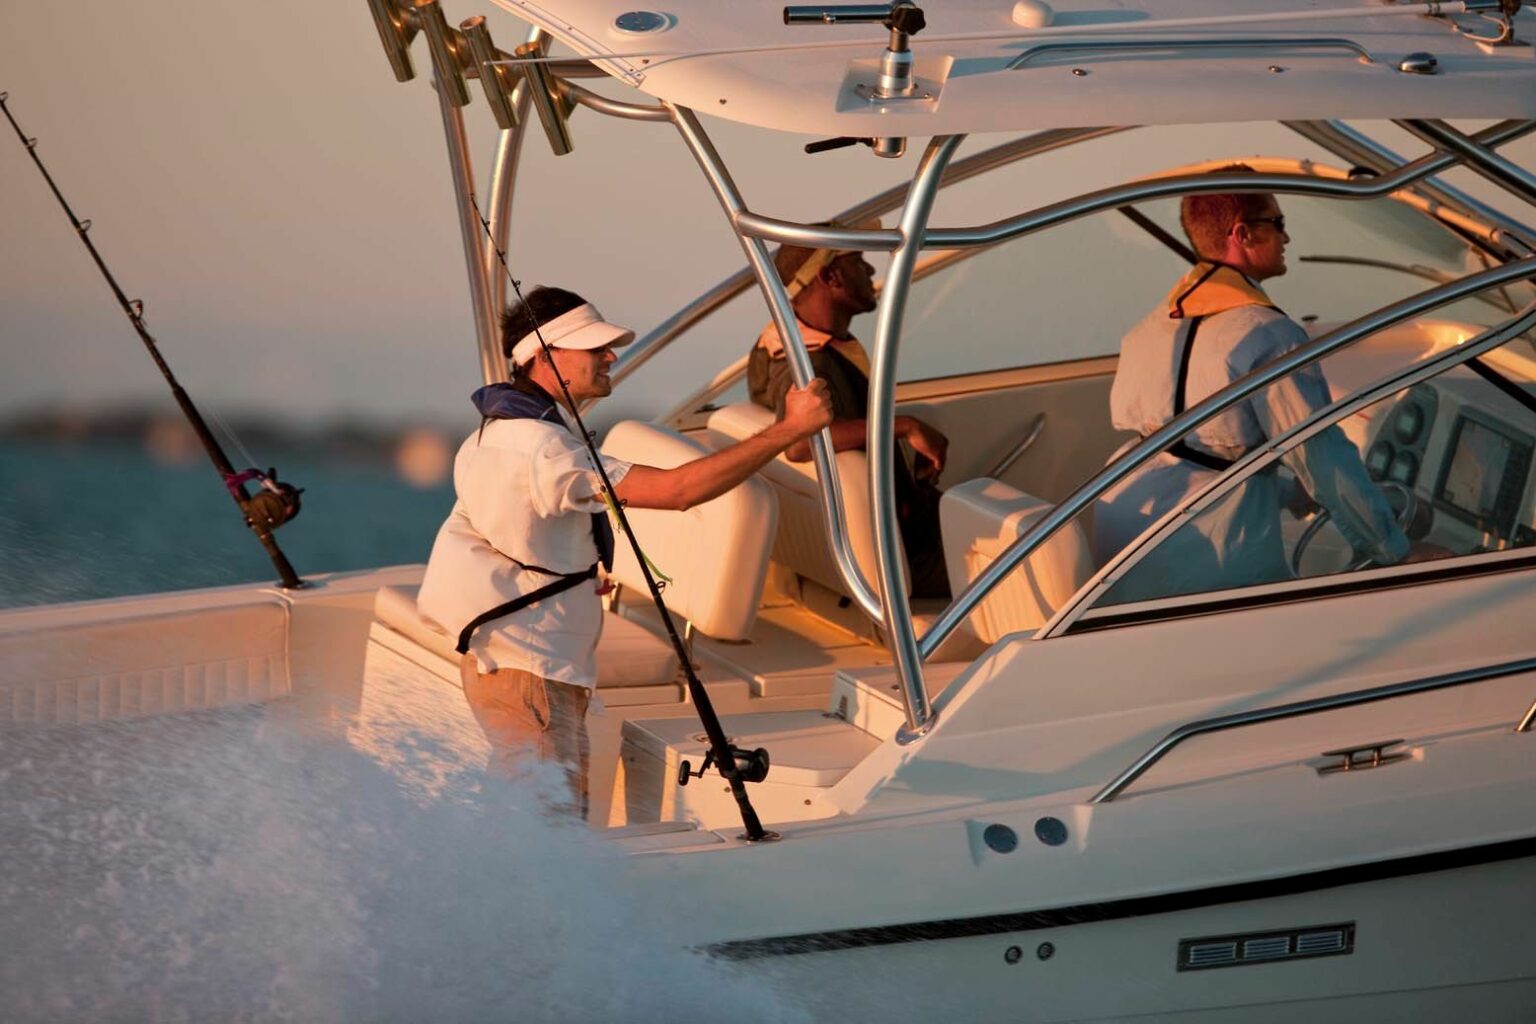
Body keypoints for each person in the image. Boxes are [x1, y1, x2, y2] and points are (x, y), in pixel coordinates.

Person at [418, 285, 832, 815]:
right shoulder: (542, 447)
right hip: (531, 666)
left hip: (519, 659)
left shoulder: (494, 433)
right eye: (595, 348)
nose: (611, 356)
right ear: (545, 357)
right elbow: (679, 491)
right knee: (547, 832)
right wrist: (788, 430)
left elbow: (505, 533)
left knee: (543, 820)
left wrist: (578, 572)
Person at [1093, 166, 1430, 603]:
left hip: (1125, 543)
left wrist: (1291, 493)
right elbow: (1322, 460)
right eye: (1278, 223)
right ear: (1244, 234)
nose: (1287, 237)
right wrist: (1396, 552)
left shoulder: (1151, 328)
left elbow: (1192, 454)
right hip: (1203, 558)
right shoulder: (1268, 334)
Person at [748, 226, 951, 598]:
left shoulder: (775, 345)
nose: (871, 271)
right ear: (831, 276)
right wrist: (905, 426)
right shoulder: (814, 365)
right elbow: (799, 443)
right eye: (857, 262)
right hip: (916, 559)